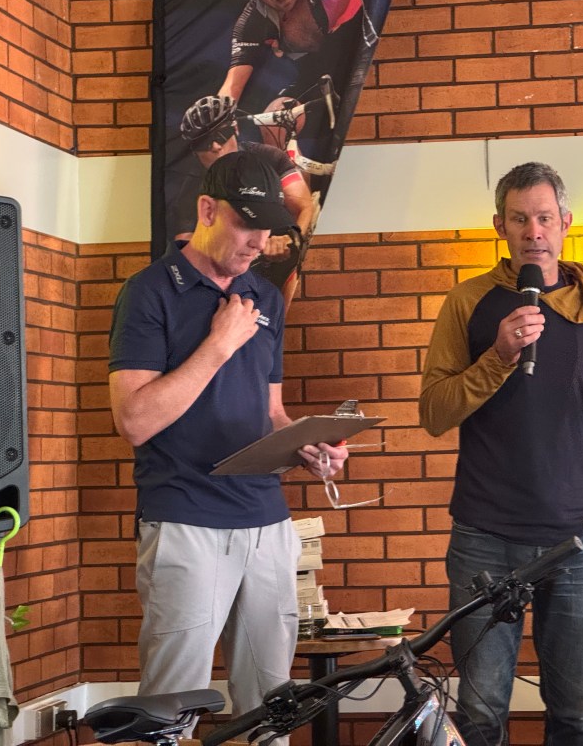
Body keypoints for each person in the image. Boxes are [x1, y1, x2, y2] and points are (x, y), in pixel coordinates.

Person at [418, 162, 583, 746]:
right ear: (499, 226)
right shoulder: (469, 301)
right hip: (485, 534)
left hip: (576, 538)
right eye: (519, 219)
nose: (534, 231)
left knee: (575, 715)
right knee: (480, 715)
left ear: (565, 222)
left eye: (545, 218)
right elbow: (433, 412)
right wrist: (498, 357)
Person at [108, 151, 349, 740]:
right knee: (170, 711)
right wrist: (218, 344)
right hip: (185, 520)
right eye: (247, 225)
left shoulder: (265, 298)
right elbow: (134, 420)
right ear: (207, 210)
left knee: (272, 706)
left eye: (268, 229)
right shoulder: (148, 292)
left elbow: (270, 411)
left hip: (267, 523)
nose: (259, 242)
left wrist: (307, 446)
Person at [173, 94, 316, 310]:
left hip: (276, 257)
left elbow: (304, 206)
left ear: (235, 128)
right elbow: (186, 250)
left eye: (221, 135)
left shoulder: (270, 158)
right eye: (203, 142)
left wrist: (291, 239)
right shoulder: (189, 189)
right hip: (225, 272)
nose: (215, 146)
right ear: (194, 151)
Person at [218, 0, 370, 153]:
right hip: (314, 84)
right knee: (274, 118)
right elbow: (233, 84)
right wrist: (217, 117)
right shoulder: (256, 18)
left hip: (362, 67)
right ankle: (285, 169)